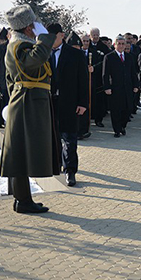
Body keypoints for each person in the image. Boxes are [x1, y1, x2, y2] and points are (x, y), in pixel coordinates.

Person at [0, 5, 63, 213]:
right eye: (34, 24)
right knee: (20, 153)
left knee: (21, 152)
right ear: (28, 28)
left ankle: (23, 199)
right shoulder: (19, 46)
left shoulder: (21, 44)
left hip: (27, 101)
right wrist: (45, 37)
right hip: (28, 103)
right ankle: (22, 200)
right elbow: (36, 61)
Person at [47, 25, 88, 187]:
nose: (50, 39)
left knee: (70, 138)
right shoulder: (43, 54)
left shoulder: (75, 54)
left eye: (53, 36)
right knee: (53, 136)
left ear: (62, 35)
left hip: (69, 103)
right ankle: (55, 165)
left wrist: (82, 103)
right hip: (49, 102)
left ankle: (70, 171)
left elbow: (83, 80)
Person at [102, 35, 139, 137]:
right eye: (119, 44)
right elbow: (105, 74)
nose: (121, 46)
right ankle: (117, 130)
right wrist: (107, 87)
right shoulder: (109, 57)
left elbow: (133, 73)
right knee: (116, 110)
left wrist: (136, 85)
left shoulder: (129, 57)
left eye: (123, 44)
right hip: (115, 88)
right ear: (115, 45)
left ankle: (123, 126)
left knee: (128, 109)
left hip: (127, 88)